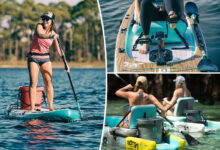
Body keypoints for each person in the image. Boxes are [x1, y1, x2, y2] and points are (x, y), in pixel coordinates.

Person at [27, 11, 63, 112]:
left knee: (48, 82)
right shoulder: (39, 26)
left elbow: (59, 52)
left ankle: (51, 107)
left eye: (47, 19)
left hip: (45, 59)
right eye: (43, 19)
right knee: (33, 82)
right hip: (33, 57)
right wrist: (51, 36)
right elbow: (41, 35)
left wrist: (66, 64)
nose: (45, 21)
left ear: (52, 21)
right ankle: (32, 108)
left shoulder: (54, 34)